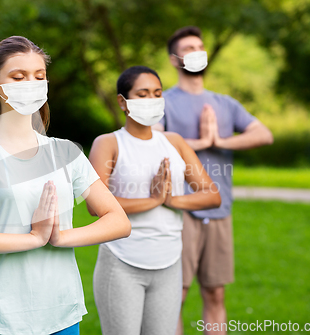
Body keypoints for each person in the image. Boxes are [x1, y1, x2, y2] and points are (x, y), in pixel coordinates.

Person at [0, 36, 131, 335]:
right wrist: (33, 238)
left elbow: (118, 221)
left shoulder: (66, 152)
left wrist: (61, 237)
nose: (31, 83)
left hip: (62, 314)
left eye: (39, 76)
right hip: (0, 317)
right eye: (18, 77)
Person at [152, 26, 274, 335]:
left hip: (220, 210)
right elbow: (153, 144)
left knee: (215, 293)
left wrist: (218, 139)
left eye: (200, 46)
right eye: (189, 47)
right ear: (174, 59)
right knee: (174, 296)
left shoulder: (225, 103)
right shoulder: (162, 101)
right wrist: (200, 142)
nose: (197, 52)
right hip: (179, 210)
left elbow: (263, 134)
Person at [88, 65, 222, 335]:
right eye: (143, 93)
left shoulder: (174, 142)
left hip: (169, 262)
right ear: (122, 102)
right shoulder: (109, 143)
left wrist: (172, 200)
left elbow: (212, 195)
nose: (151, 99)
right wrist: (152, 200)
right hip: (122, 262)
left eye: (157, 93)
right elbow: (96, 205)